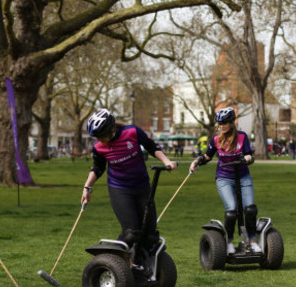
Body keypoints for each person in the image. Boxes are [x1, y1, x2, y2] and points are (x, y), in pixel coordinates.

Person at [81, 109, 177, 266]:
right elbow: (98, 168)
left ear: (111, 129)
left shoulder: (132, 132)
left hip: (142, 186)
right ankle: (112, 260)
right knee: (132, 232)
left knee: (150, 235)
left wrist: (167, 161)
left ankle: (140, 264)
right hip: (119, 189)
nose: (99, 140)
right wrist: (87, 187)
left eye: (101, 135)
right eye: (96, 137)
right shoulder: (99, 147)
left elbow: (151, 146)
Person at [189, 107, 259, 255]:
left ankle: (251, 242)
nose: (222, 126)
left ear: (232, 122)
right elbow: (207, 156)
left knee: (250, 209)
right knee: (232, 211)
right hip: (224, 178)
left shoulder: (242, 137)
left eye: (225, 123)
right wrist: (197, 162)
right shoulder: (216, 139)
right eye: (219, 123)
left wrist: (248, 158)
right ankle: (228, 243)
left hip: (243, 176)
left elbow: (249, 155)